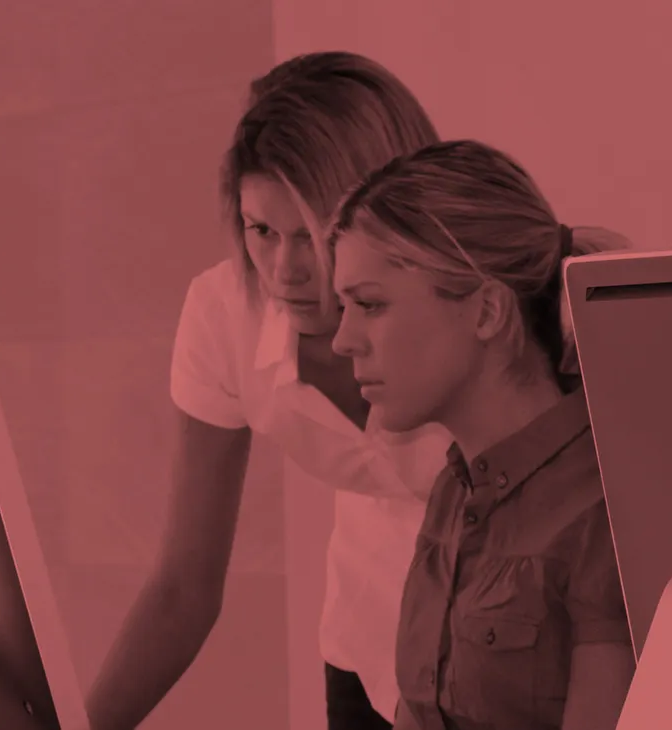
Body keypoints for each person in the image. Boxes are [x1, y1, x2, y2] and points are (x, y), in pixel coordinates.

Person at [84, 52, 452, 730]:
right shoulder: (224, 314)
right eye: (261, 231)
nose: (285, 269)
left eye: (313, 235)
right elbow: (184, 586)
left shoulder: (480, 305)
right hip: (369, 644)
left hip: (511, 648)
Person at [324, 139, 636, 730]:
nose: (343, 341)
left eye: (370, 305)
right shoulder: (453, 490)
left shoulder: (608, 510)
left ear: (488, 312)